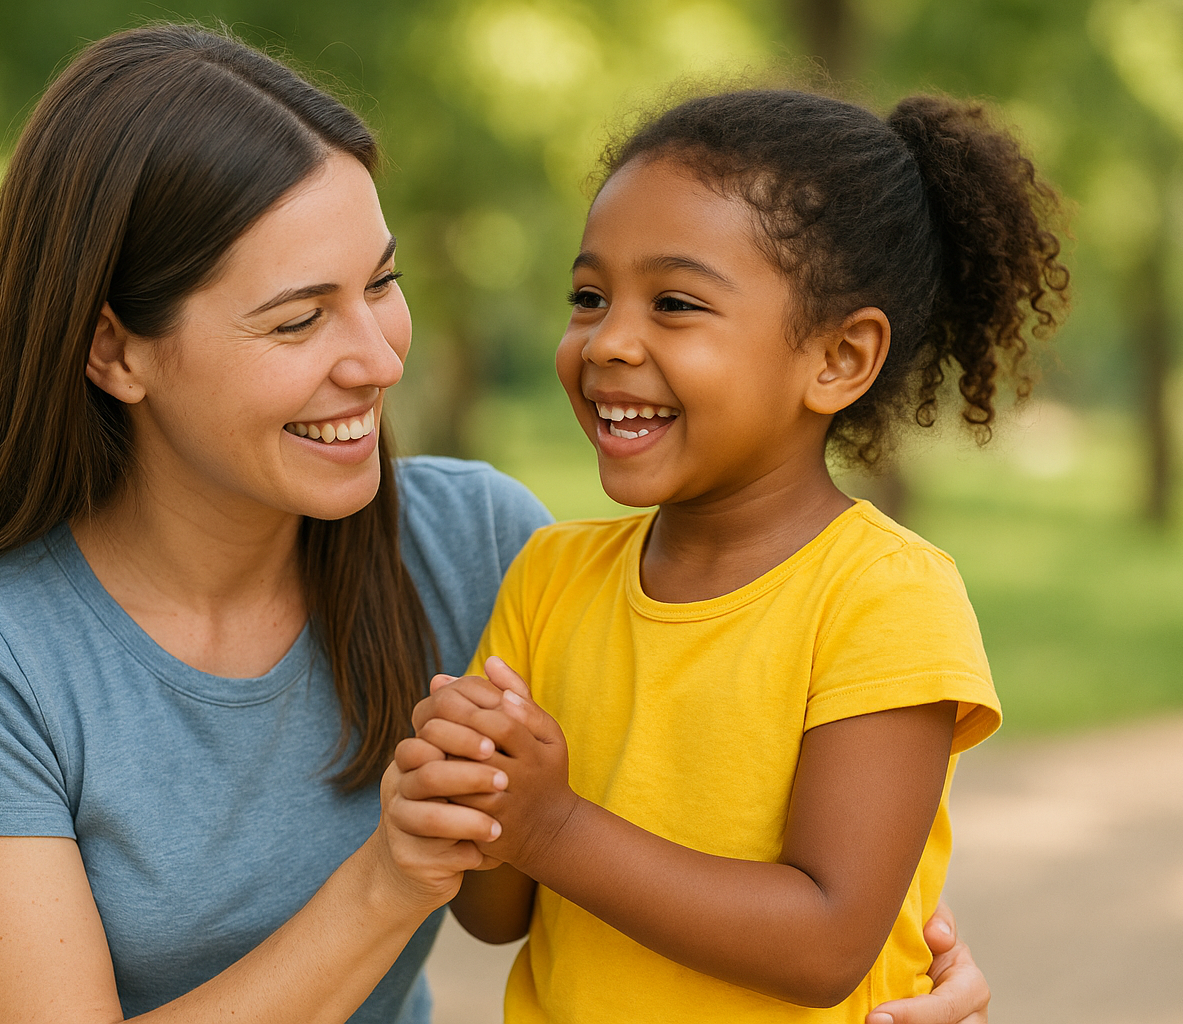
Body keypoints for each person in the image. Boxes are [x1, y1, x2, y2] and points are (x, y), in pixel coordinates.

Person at [0, 25, 997, 1024]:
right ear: (114, 349)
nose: (377, 358)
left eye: (379, 286)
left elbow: (718, 817)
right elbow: (533, 861)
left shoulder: (476, 546)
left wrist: (909, 967)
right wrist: (397, 872)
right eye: (298, 321)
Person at [401, 88, 1068, 1024]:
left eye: (674, 304)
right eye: (589, 297)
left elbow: (826, 943)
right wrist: (470, 788)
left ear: (838, 359)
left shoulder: (883, 597)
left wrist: (553, 824)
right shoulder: (553, 575)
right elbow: (496, 915)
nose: (608, 341)